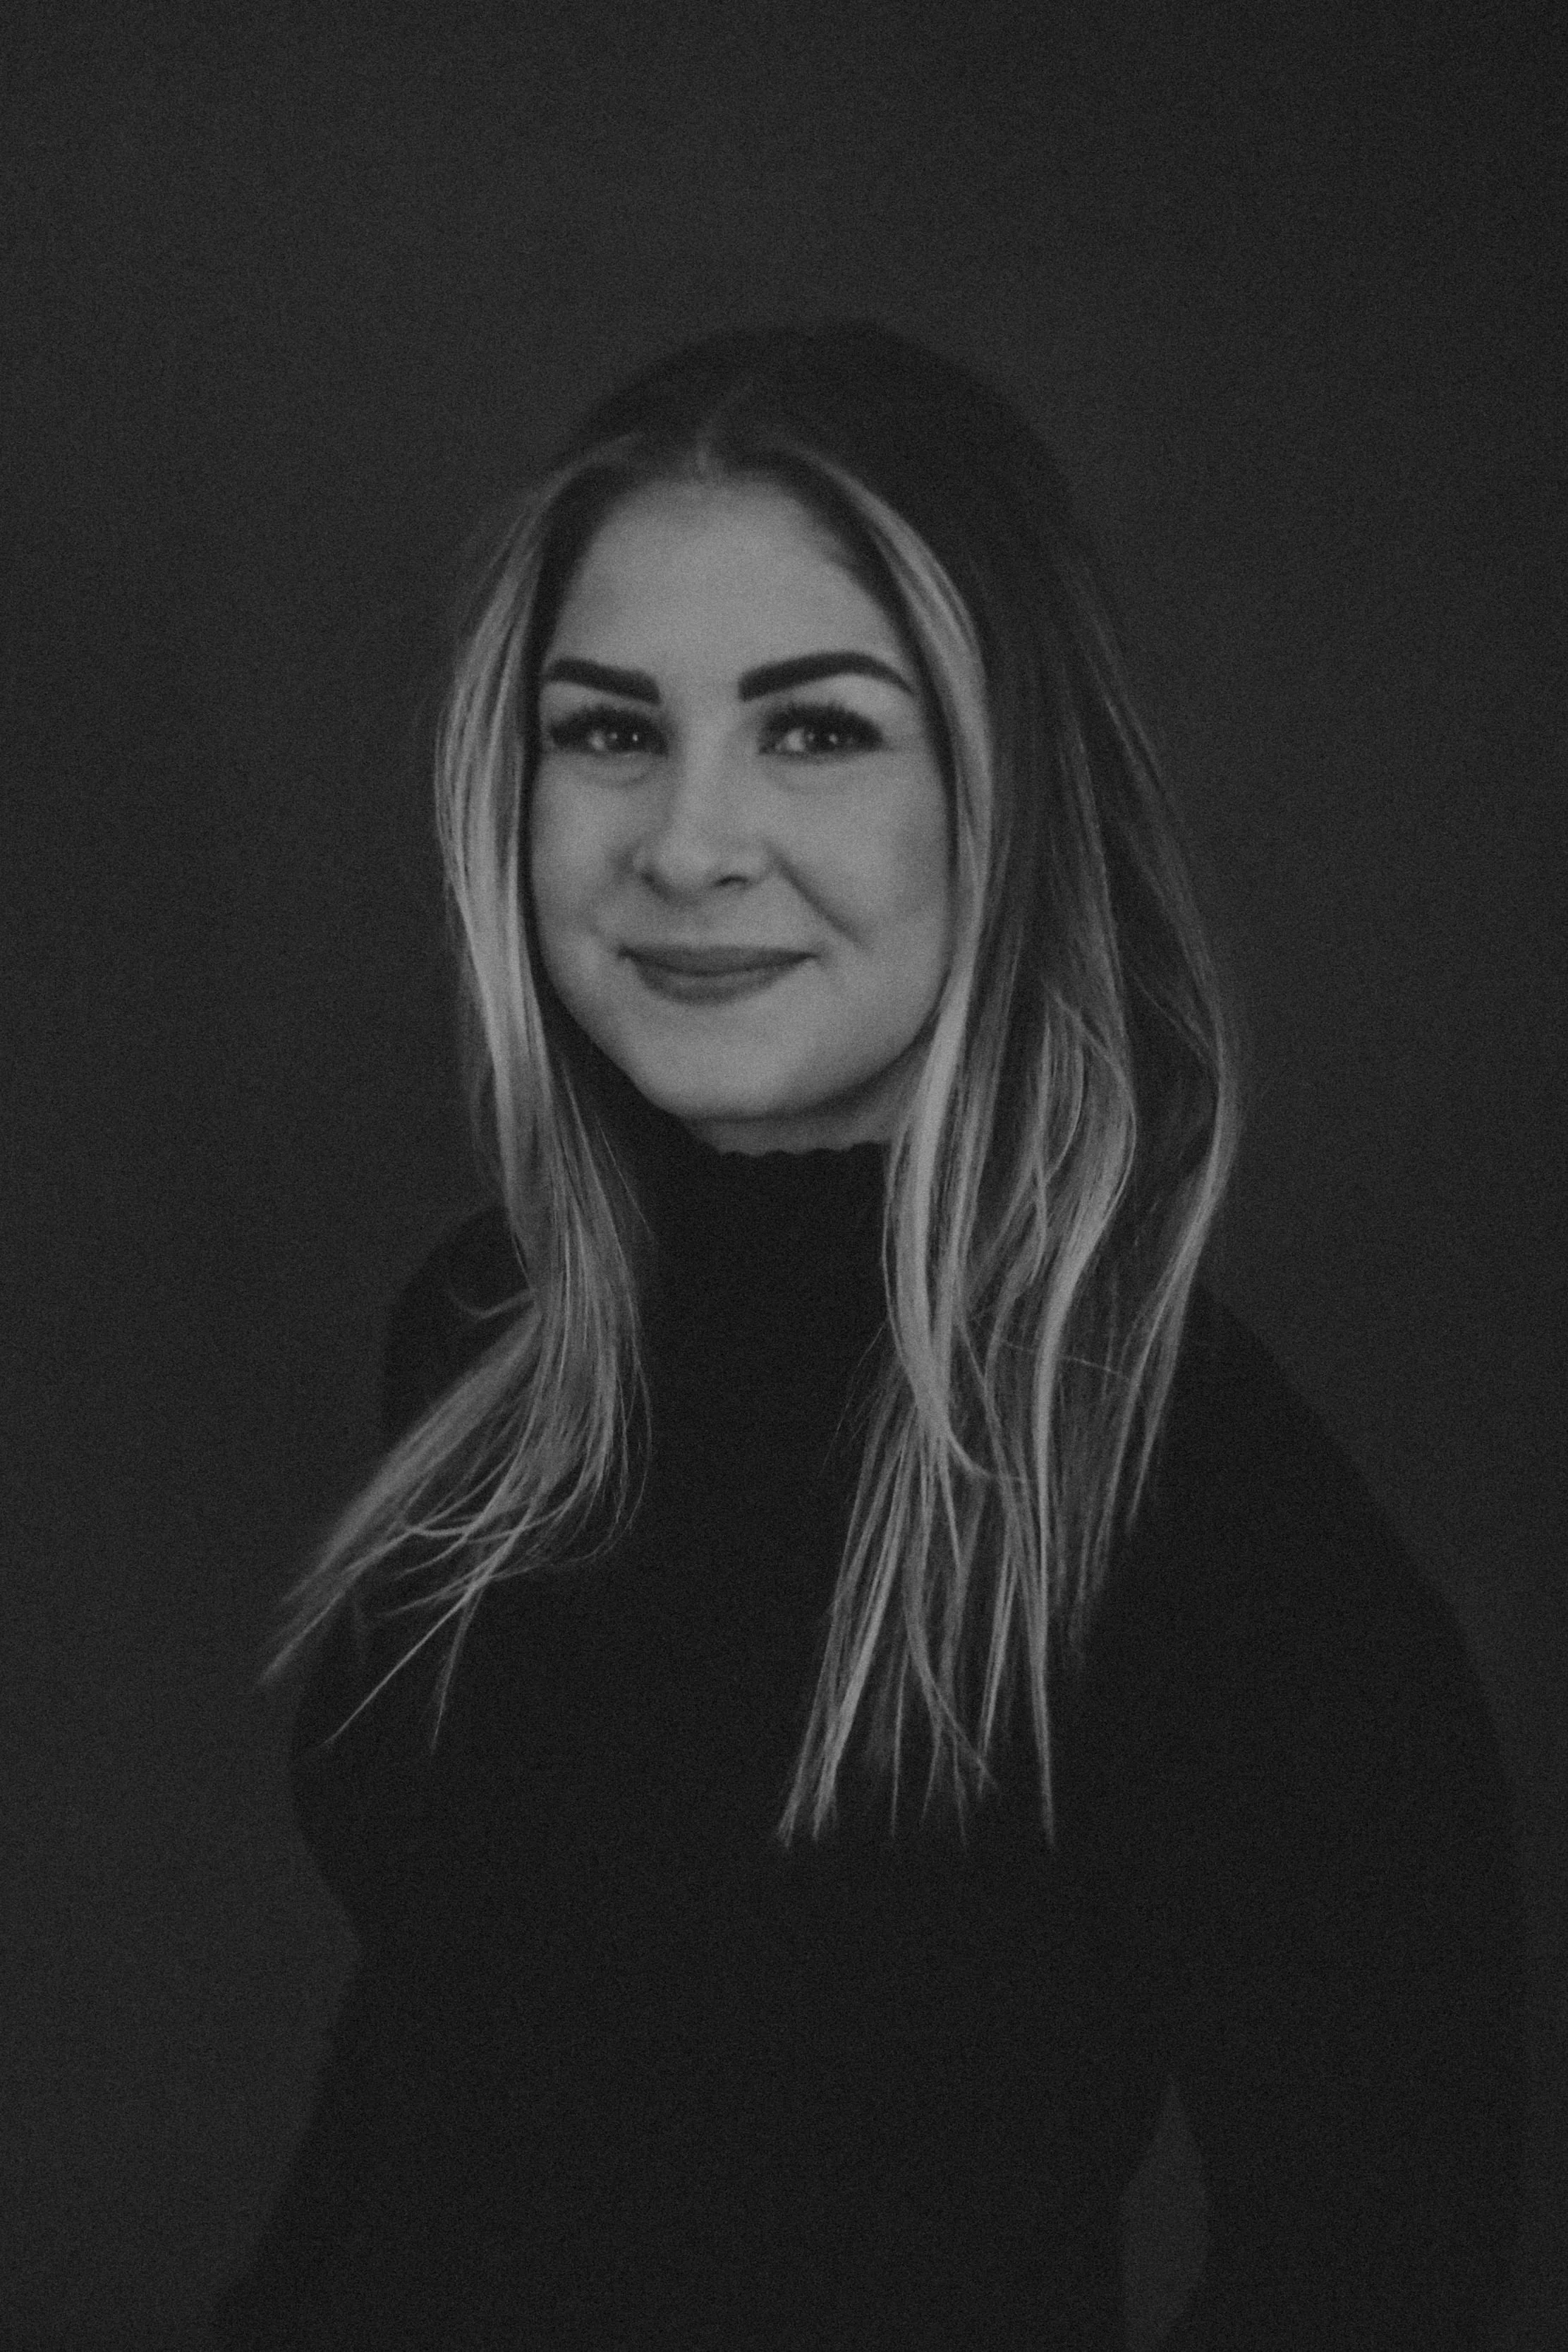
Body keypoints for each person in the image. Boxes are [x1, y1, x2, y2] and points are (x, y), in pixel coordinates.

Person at [209, 318, 1528, 2348]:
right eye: (609, 727)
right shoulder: (493, 1336)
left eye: (815, 727)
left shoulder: (1198, 1518)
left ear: (1005, 794)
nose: (685, 840)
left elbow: (1384, 2268)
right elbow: (455, 2124)